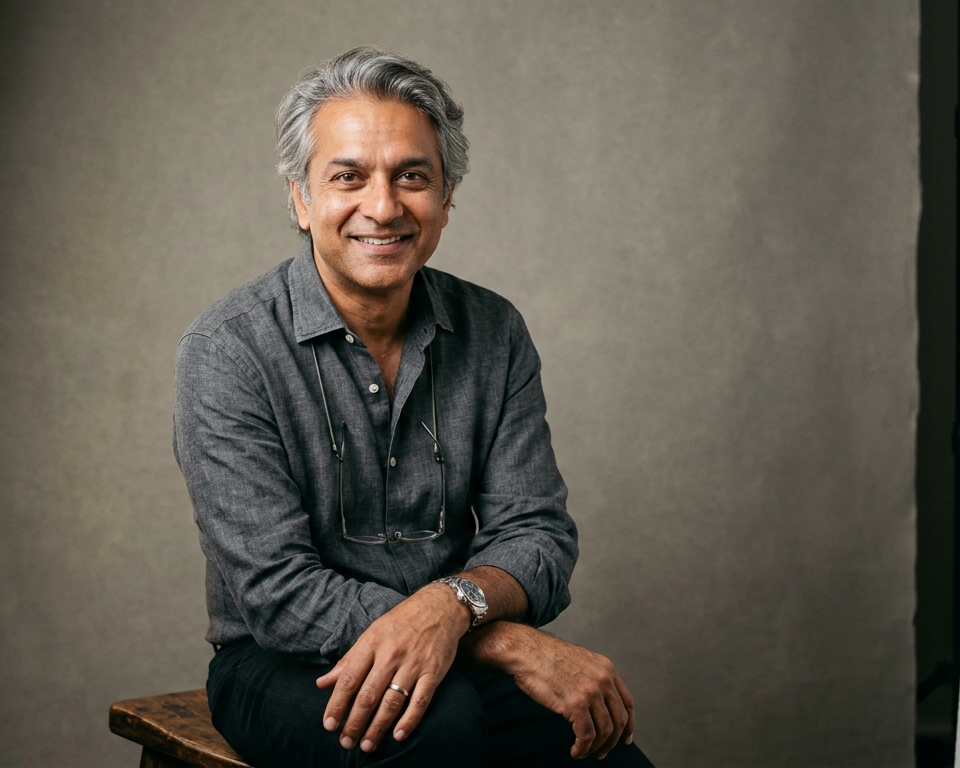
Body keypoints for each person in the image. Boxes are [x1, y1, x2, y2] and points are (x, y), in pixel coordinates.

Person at [173, 46, 652, 767]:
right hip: (277, 661)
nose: (384, 205)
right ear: (301, 199)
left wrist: (449, 613)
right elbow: (278, 594)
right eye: (348, 177)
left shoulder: (493, 332)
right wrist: (492, 632)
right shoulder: (228, 350)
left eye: (412, 177)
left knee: (601, 748)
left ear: (447, 197)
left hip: (455, 641)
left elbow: (540, 535)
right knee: (437, 731)